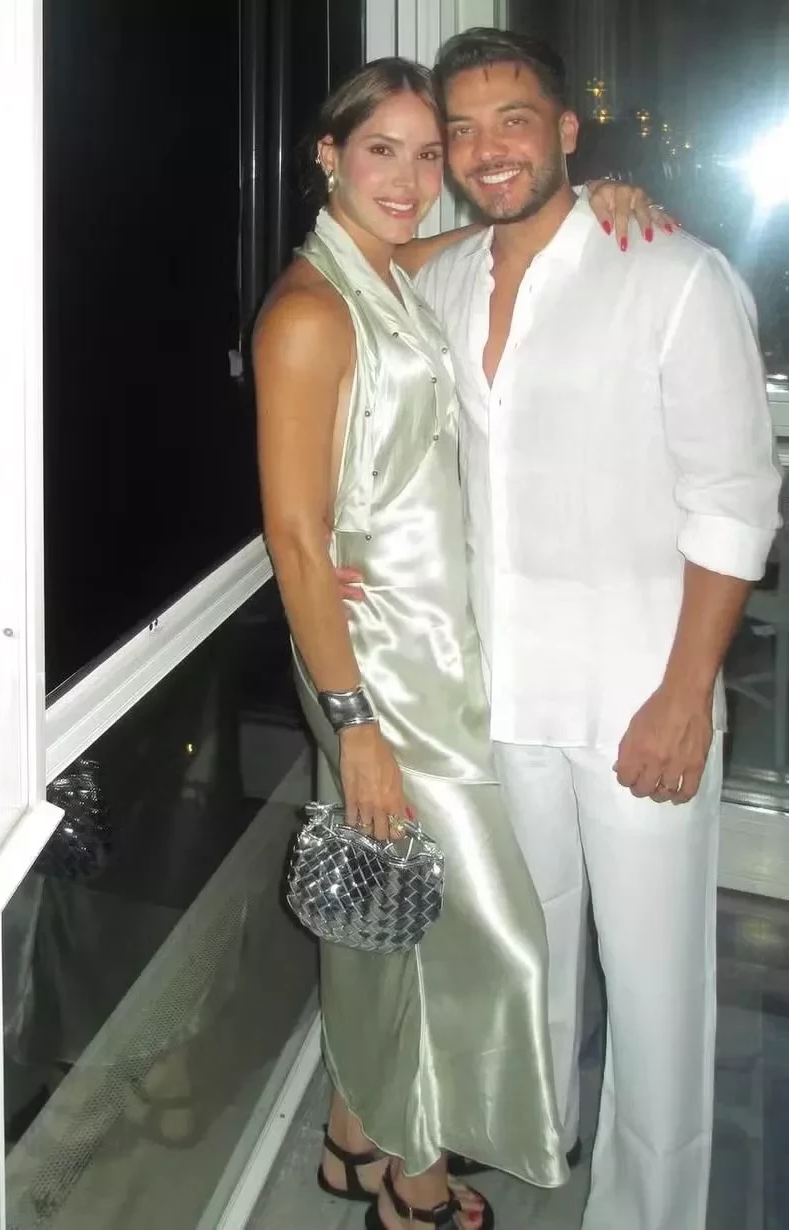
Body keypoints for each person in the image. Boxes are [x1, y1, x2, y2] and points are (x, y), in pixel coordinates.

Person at [338, 30, 782, 1230]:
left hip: (642, 694)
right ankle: (533, 1134)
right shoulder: (443, 281)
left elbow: (736, 504)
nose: (487, 151)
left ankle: (650, 1208)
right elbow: (367, 324)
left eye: (514, 121)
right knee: (523, 949)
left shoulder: (673, 275)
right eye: (462, 132)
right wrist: (341, 552)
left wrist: (686, 696)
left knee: (656, 989)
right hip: (500, 695)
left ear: (567, 131)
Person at [256, 57, 670, 1230]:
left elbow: (500, 233)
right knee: (478, 930)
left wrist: (592, 200)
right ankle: (415, 1179)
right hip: (380, 670)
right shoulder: (308, 313)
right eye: (380, 150)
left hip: (433, 646)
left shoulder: (386, 269)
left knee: (393, 900)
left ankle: (353, 1135)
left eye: (427, 153)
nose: (411, 178)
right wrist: (354, 724)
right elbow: (296, 539)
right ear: (328, 156)